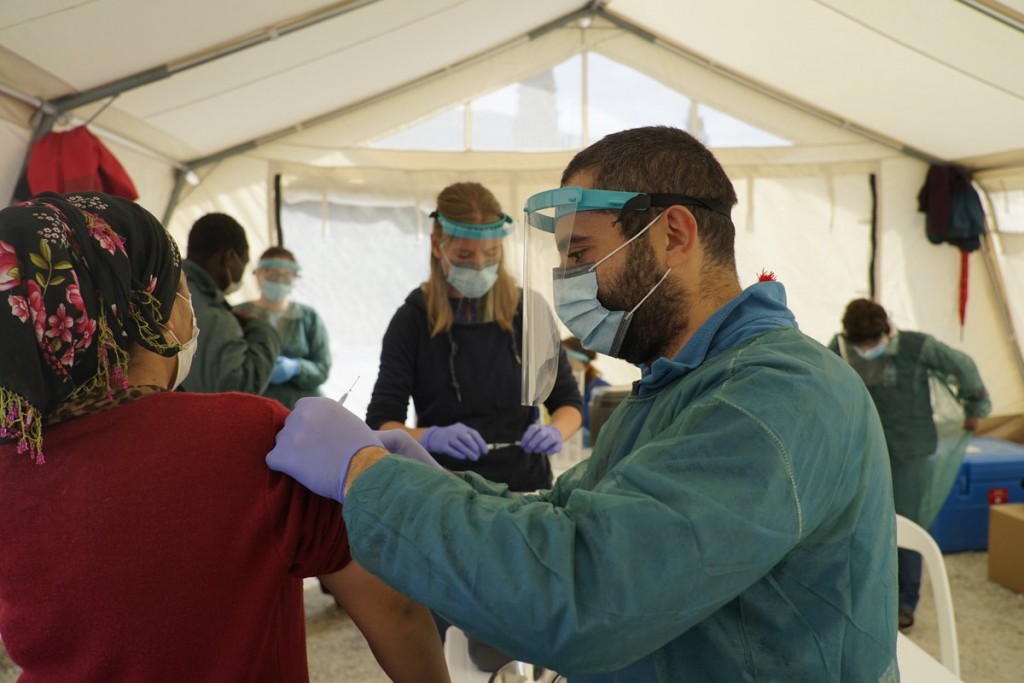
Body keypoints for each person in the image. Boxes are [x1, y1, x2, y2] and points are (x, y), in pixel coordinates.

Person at [267, 126, 899, 681]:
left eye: (579, 253)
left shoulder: (774, 396)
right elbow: (571, 519)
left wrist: (367, 477)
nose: (565, 280)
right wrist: (431, 479)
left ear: (673, 233)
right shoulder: (677, 389)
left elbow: (584, 592)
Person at [0, 192, 449, 682]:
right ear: (160, 313)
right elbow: (395, 610)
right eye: (184, 293)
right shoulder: (252, 438)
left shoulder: (12, 464)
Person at [366, 181, 583, 492]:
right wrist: (429, 437)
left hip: (526, 488)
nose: (480, 265)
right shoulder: (412, 320)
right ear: (436, 245)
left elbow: (569, 402)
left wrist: (556, 432)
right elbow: (381, 424)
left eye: (491, 253)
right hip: (445, 487)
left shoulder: (528, 310)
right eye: (465, 255)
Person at [829, 297, 990, 630]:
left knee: (908, 526)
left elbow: (964, 367)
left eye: (873, 343)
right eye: (861, 345)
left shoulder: (916, 347)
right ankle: (866, 596)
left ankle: (904, 603)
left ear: (887, 333)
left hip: (909, 452)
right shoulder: (840, 349)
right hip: (862, 451)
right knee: (859, 523)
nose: (867, 350)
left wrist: (975, 407)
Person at [180, 212, 281, 394]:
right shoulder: (216, 318)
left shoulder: (161, 280)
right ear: (229, 258)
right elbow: (238, 389)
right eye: (244, 262)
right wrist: (261, 329)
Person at [235, 247, 331, 409]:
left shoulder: (308, 318)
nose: (279, 280)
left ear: (294, 279)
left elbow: (322, 369)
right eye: (272, 274)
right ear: (258, 275)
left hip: (301, 410)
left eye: (286, 276)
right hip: (252, 407)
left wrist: (297, 367)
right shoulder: (238, 314)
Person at [561, 336, 610, 447]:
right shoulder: (557, 390)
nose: (561, 366)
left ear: (585, 366)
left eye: (567, 360)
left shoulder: (602, 392)